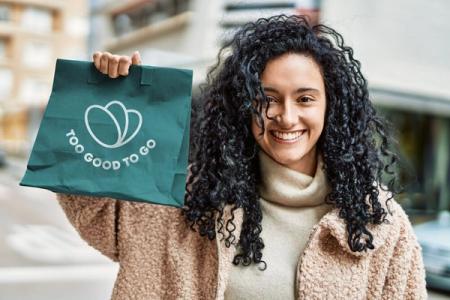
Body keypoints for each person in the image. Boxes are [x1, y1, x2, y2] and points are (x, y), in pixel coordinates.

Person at [56, 15, 427, 299]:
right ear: (244, 106)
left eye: (305, 98)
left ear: (332, 107)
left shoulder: (379, 222)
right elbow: (93, 210)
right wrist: (103, 98)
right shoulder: (189, 198)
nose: (286, 115)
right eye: (266, 98)